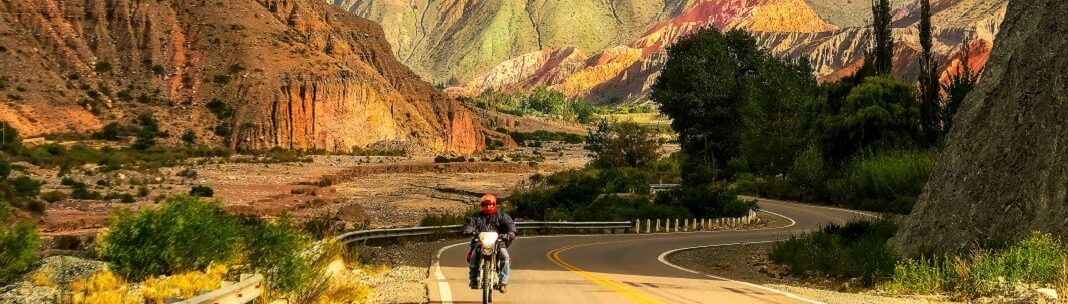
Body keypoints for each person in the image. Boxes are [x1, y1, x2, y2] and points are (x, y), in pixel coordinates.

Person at [463, 193, 516, 293]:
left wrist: (510, 233)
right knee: (474, 255)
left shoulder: (502, 216)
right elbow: (469, 225)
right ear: (481, 205)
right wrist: (469, 230)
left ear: (494, 204)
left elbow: (510, 226)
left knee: (505, 256)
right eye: (485, 205)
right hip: (480, 243)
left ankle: (503, 282)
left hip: (498, 243)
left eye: (490, 204)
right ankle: (473, 280)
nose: (487, 206)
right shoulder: (476, 217)